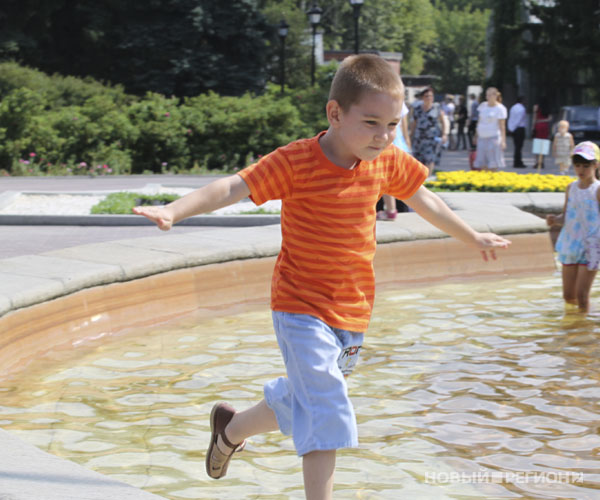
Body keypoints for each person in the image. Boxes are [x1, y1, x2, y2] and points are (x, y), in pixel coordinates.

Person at [133, 54, 511, 500]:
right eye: (372, 122)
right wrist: (173, 210)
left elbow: (425, 201)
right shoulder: (296, 162)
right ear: (335, 113)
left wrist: (471, 236)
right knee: (328, 406)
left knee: (304, 400)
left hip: (352, 309)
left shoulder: (385, 160)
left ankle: (230, 430)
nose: (384, 136)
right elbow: (235, 186)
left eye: (392, 125)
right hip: (300, 306)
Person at [547, 141, 600, 312]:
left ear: (596, 165)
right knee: (568, 295)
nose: (581, 170)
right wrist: (555, 219)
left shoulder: (598, 190)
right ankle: (575, 325)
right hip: (571, 244)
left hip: (592, 245)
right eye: (577, 165)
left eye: (586, 165)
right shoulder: (571, 188)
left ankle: (582, 334)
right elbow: (567, 215)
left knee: (582, 295)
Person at [377, 102, 412, 220]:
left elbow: (404, 126)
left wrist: (407, 140)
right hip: (396, 141)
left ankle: (391, 209)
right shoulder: (397, 101)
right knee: (391, 177)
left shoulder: (395, 102)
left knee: (386, 177)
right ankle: (392, 209)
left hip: (393, 142)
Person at [410, 86, 447, 177]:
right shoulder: (417, 109)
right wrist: (411, 136)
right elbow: (414, 124)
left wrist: (445, 134)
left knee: (430, 159)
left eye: (431, 96)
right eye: (427, 96)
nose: (429, 98)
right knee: (418, 160)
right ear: (422, 97)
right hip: (419, 138)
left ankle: (428, 178)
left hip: (432, 139)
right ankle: (419, 179)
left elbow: (443, 121)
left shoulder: (437, 107)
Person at [474, 87, 507, 171]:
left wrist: (503, 141)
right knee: (482, 163)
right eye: (487, 95)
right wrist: (476, 135)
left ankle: (492, 180)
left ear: (495, 96)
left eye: (490, 95)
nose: (488, 97)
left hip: (493, 138)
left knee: (492, 163)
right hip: (482, 138)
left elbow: (502, 126)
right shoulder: (483, 105)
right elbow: (479, 122)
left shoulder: (500, 108)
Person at [532, 97, 552, 169]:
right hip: (545, 127)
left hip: (538, 126)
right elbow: (550, 118)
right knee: (544, 144)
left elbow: (534, 118)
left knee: (537, 144)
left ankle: (537, 162)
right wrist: (544, 121)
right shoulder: (548, 108)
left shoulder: (536, 107)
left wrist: (533, 127)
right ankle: (542, 162)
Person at [507, 96, 527, 168]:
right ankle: (517, 162)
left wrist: (510, 128)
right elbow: (518, 120)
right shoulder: (522, 109)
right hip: (520, 128)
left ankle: (517, 161)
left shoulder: (513, 107)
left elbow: (511, 118)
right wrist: (514, 127)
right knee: (519, 147)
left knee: (516, 146)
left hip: (513, 128)